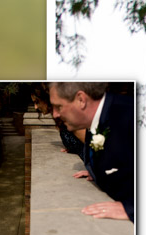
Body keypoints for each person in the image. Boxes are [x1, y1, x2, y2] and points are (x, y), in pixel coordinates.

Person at [48, 81, 134, 221]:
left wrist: (132, 208)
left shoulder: (132, 115)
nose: (55, 114)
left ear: (81, 100)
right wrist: (99, 171)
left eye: (58, 106)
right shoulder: (95, 121)